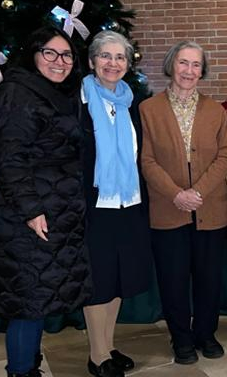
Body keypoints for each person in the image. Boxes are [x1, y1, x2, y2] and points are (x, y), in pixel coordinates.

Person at [0, 26, 91, 377]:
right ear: (33, 55)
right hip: (27, 217)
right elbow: (7, 158)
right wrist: (31, 210)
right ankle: (20, 370)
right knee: (28, 304)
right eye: (50, 53)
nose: (59, 62)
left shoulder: (55, 93)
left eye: (66, 55)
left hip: (54, 211)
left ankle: (27, 364)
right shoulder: (16, 93)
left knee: (36, 297)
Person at [139, 41, 227, 365]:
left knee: (209, 279)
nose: (189, 71)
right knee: (173, 279)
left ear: (202, 71)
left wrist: (198, 191)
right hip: (168, 208)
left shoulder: (215, 110)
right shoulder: (148, 109)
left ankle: (206, 334)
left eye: (196, 65)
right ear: (171, 65)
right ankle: (181, 339)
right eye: (183, 63)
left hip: (210, 209)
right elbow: (146, 160)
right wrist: (177, 193)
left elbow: (225, 156)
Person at [80, 30, 154, 377]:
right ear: (93, 60)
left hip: (130, 203)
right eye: (105, 56)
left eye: (120, 57)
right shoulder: (78, 102)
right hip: (95, 205)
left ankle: (108, 345)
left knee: (119, 278)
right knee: (100, 280)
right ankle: (96, 357)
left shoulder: (131, 102)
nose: (113, 63)